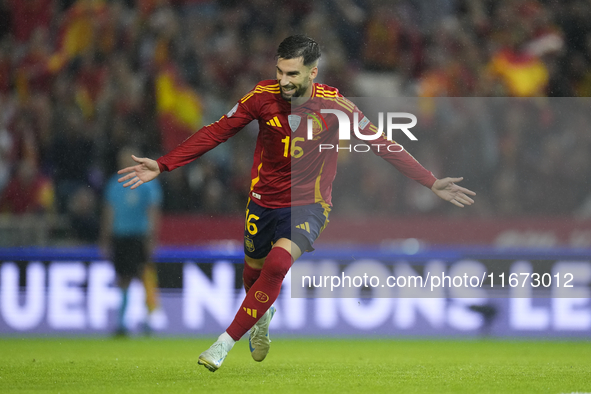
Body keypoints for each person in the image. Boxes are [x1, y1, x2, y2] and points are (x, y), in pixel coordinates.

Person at [118, 35, 476, 370]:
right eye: (279, 71)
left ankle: (223, 343)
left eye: (292, 73)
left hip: (309, 204)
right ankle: (262, 317)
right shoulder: (261, 97)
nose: (284, 80)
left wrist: (430, 181)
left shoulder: (335, 106)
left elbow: (382, 143)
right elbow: (216, 131)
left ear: (312, 71)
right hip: (263, 201)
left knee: (276, 265)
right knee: (253, 275)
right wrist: (164, 163)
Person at [101, 147, 163, 336]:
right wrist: (105, 238)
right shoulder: (114, 184)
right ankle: (121, 323)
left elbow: (153, 210)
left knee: (145, 275)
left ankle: (150, 320)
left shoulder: (147, 183)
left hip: (140, 236)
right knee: (123, 278)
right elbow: (108, 213)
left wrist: (152, 237)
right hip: (121, 237)